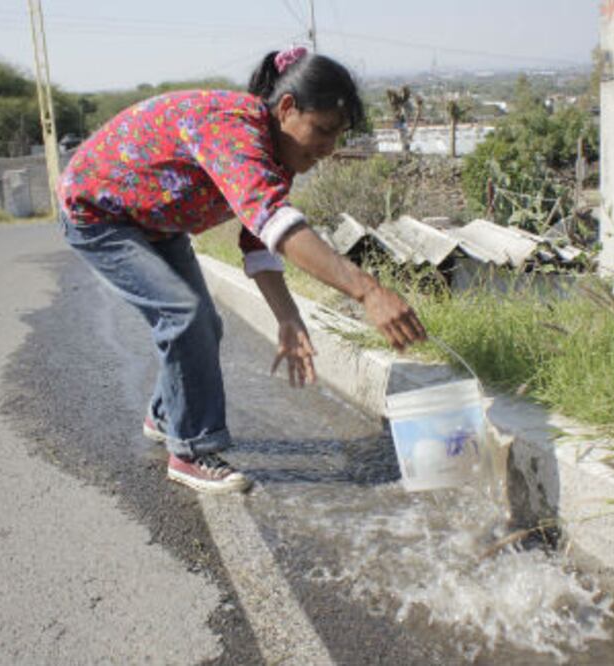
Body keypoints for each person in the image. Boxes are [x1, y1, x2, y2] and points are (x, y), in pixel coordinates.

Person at [58, 46, 427, 494]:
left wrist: (288, 317)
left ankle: (167, 415)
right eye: (323, 131)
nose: (328, 149)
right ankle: (191, 449)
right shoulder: (233, 126)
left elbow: (260, 239)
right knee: (183, 316)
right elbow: (276, 221)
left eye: (338, 137)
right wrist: (367, 292)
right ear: (287, 108)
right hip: (99, 214)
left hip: (158, 223)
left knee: (203, 324)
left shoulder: (278, 155)